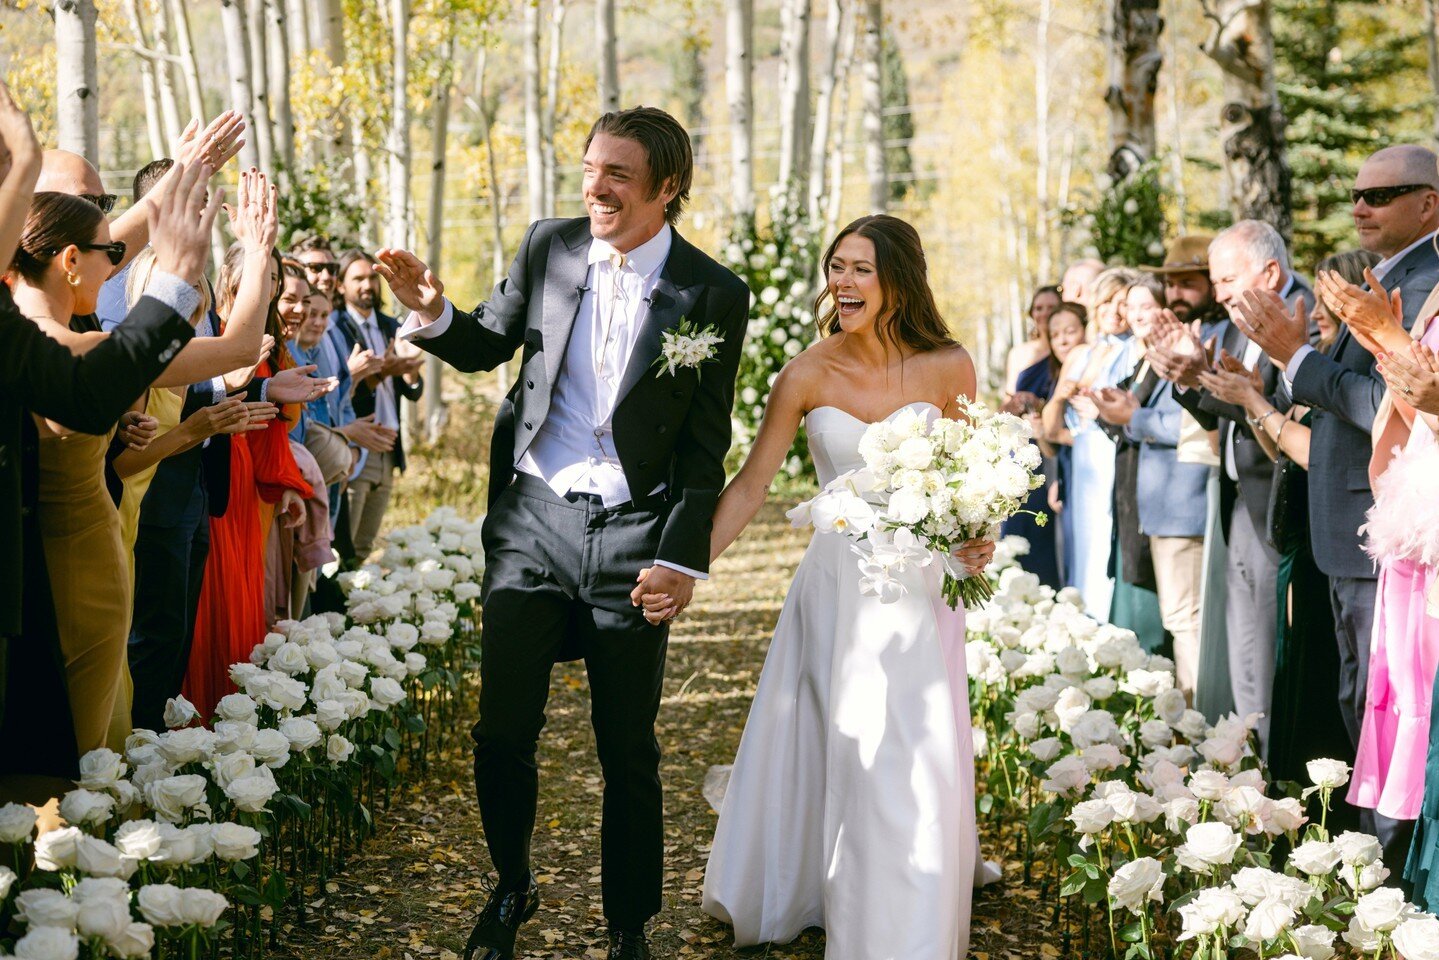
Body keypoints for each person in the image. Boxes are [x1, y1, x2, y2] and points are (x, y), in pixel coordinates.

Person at [376, 106, 748, 960]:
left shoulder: (714, 293)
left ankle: (629, 926)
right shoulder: (550, 245)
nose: (595, 186)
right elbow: (484, 347)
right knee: (502, 729)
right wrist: (434, 312)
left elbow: (704, 445)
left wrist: (678, 556)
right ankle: (511, 888)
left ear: (667, 189)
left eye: (617, 174)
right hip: (533, 519)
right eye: (589, 168)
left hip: (633, 531)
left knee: (628, 746)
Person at [695, 214, 989, 960]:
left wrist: (975, 533)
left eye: (860, 268)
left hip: (918, 586)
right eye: (836, 266)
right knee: (839, 741)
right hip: (832, 585)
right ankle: (818, 886)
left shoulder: (949, 365)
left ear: (898, 279)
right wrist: (686, 566)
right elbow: (752, 484)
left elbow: (967, 482)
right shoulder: (805, 372)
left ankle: (901, 920)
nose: (843, 282)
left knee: (903, 749)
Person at [0, 83, 201, 805]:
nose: (109, 233)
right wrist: (175, 278)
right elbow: (89, 389)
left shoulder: (29, 322)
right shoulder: (39, 327)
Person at [1236, 147, 1439, 859]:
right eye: (1355, 193)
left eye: (1380, 195)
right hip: (1346, 523)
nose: (1359, 206)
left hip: (1392, 526)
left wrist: (1296, 358)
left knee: (1388, 702)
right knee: (1361, 695)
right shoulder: (1385, 278)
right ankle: (1366, 853)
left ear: (1428, 204)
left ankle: (1388, 858)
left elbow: (1384, 403)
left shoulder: (1425, 284)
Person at [1194, 252, 1373, 792]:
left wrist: (1254, 399)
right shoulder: (1324, 362)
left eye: (1327, 306)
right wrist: (1251, 399)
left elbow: (1312, 449)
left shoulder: (1349, 368)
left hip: (1339, 536)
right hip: (1306, 531)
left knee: (1332, 683)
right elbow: (1280, 446)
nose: (1315, 316)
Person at [1151, 221, 1311, 752]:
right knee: (1245, 642)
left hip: (1287, 506)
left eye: (1225, 280)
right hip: (1241, 497)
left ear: (1270, 271)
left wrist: (1221, 387)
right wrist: (1192, 377)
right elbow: (1236, 405)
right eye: (1215, 283)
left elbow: (1288, 412)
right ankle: (1248, 755)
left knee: (1271, 648)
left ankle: (1274, 760)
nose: (1217, 293)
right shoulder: (1244, 318)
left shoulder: (1302, 317)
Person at [185, 245, 312, 720]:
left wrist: (284, 485)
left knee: (243, 600)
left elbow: (271, 425)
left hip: (244, 474)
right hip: (214, 466)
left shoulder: (270, 341)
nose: (272, 287)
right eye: (266, 275)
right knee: (209, 600)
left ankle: (234, 712)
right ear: (233, 276)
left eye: (276, 278)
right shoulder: (215, 332)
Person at [1092, 276, 1209, 684]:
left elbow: (1191, 424)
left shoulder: (1183, 351)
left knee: (1184, 621)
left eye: (1147, 305)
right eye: (1132, 307)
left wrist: (1132, 418)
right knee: (1178, 620)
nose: (1138, 315)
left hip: (1181, 505)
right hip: (1150, 505)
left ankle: (1195, 720)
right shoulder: (1146, 359)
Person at [1042, 267, 1139, 619]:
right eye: (1107, 301)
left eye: (1122, 302)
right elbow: (1053, 430)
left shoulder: (1135, 351)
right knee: (1083, 550)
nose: (1113, 310)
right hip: (1084, 463)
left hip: (1115, 456)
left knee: (1106, 546)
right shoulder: (1081, 355)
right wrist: (1061, 396)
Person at [331, 250, 422, 562]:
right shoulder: (334, 327)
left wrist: (410, 374)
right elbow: (337, 391)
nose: (367, 285)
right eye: (357, 278)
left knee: (365, 547)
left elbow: (412, 392)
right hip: (357, 443)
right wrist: (379, 373)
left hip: (389, 447)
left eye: (372, 277)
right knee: (343, 546)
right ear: (340, 286)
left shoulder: (392, 325)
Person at [1001, 301, 1084, 588]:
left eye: (1069, 330)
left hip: (1074, 466)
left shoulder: (1075, 370)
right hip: (1044, 460)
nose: (1043, 314)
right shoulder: (1032, 360)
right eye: (1038, 308)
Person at [1003, 284, 1061, 394]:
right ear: (1032, 313)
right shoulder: (1018, 353)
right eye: (1039, 308)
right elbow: (1008, 397)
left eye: (1051, 308)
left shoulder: (1066, 349)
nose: (1044, 313)